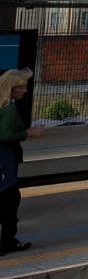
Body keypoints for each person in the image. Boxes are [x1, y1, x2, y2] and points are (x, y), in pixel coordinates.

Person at [0, 68, 42, 255]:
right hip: (6, 161)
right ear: (13, 88)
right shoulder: (9, 110)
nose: (25, 91)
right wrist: (28, 133)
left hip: (4, 161)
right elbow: (5, 135)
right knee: (9, 202)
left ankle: (9, 241)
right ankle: (7, 242)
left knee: (10, 200)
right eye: (22, 87)